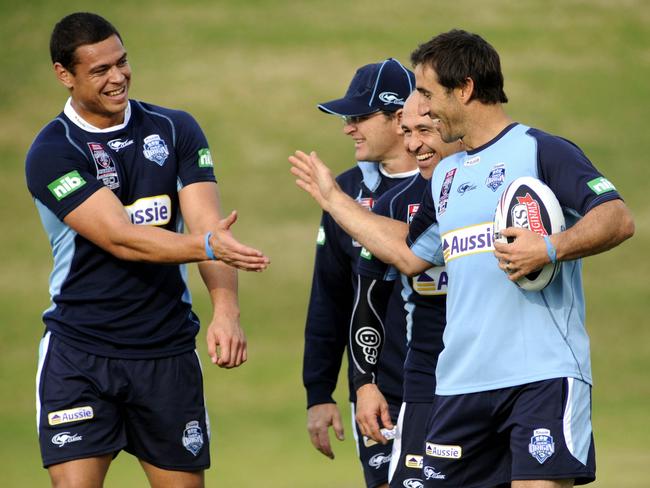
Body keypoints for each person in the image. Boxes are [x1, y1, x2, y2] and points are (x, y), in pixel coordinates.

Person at [290, 29, 634, 488]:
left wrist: (550, 247)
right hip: (458, 386)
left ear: (466, 88)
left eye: (428, 94)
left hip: (541, 378)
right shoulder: (446, 175)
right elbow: (411, 255)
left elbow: (616, 217)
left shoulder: (541, 151)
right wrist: (335, 200)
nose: (423, 109)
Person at [26, 12, 268, 488]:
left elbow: (206, 225)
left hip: (167, 353)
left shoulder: (175, 129)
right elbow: (120, 236)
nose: (118, 77)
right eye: (100, 70)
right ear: (64, 75)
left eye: (122, 62)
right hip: (81, 354)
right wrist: (206, 244)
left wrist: (226, 309)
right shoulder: (53, 150)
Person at [302, 58, 419, 488]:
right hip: (378, 392)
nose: (348, 128)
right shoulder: (344, 192)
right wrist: (319, 393)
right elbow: (330, 296)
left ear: (399, 115)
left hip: (456, 384)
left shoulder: (451, 181)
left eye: (359, 117)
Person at [349, 93, 463, 488]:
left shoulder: (492, 188)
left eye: (425, 130)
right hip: (418, 386)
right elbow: (366, 302)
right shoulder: (394, 203)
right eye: (408, 132)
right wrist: (363, 384)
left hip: (489, 383)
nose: (414, 144)